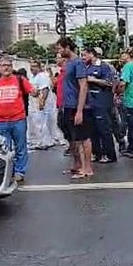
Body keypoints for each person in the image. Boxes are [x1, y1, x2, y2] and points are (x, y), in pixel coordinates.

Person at [0, 56, 39, 182]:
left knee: (21, 147)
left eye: (9, 64)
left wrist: (35, 92)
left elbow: (32, 91)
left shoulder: (20, 80)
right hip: (1, 122)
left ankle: (20, 172)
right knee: (5, 149)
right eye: (3, 65)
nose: (7, 67)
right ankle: (9, 171)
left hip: (18, 120)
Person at [56, 37, 95, 180]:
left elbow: (83, 86)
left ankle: (87, 168)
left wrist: (79, 110)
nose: (59, 52)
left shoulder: (78, 62)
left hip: (79, 107)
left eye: (60, 48)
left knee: (83, 138)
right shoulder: (69, 64)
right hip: (68, 106)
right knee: (74, 138)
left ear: (67, 47)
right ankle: (78, 166)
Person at [83, 47, 117, 164]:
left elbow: (110, 82)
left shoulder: (103, 66)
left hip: (102, 102)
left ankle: (110, 154)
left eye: (85, 55)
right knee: (93, 130)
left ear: (92, 54)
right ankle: (97, 153)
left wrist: (94, 80)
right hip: (90, 103)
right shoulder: (86, 67)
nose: (83, 57)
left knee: (104, 129)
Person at [28, 60, 58, 150]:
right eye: (31, 66)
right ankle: (39, 141)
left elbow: (45, 90)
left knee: (41, 123)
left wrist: (42, 102)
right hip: (34, 103)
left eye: (34, 66)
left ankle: (44, 142)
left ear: (39, 67)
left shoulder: (42, 76)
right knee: (36, 123)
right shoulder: (33, 77)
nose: (32, 68)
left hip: (40, 103)